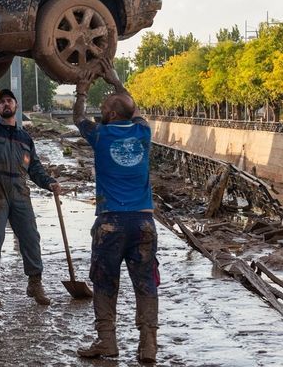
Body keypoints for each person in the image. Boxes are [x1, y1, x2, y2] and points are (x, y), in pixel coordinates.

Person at [73, 59, 158, 363]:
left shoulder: (100, 136)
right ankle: (148, 346)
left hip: (110, 222)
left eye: (104, 105)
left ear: (109, 114)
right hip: (144, 222)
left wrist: (82, 89)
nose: (100, 108)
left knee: (105, 282)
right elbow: (133, 109)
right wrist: (116, 82)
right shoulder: (143, 134)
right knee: (145, 283)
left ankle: (106, 342)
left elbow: (78, 116)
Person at [0, 89, 61, 308]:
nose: (6, 104)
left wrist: (49, 183)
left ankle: (35, 283)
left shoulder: (25, 137)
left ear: (16, 106)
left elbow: (34, 167)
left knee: (30, 236)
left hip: (19, 187)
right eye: (2, 102)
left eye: (10, 101)